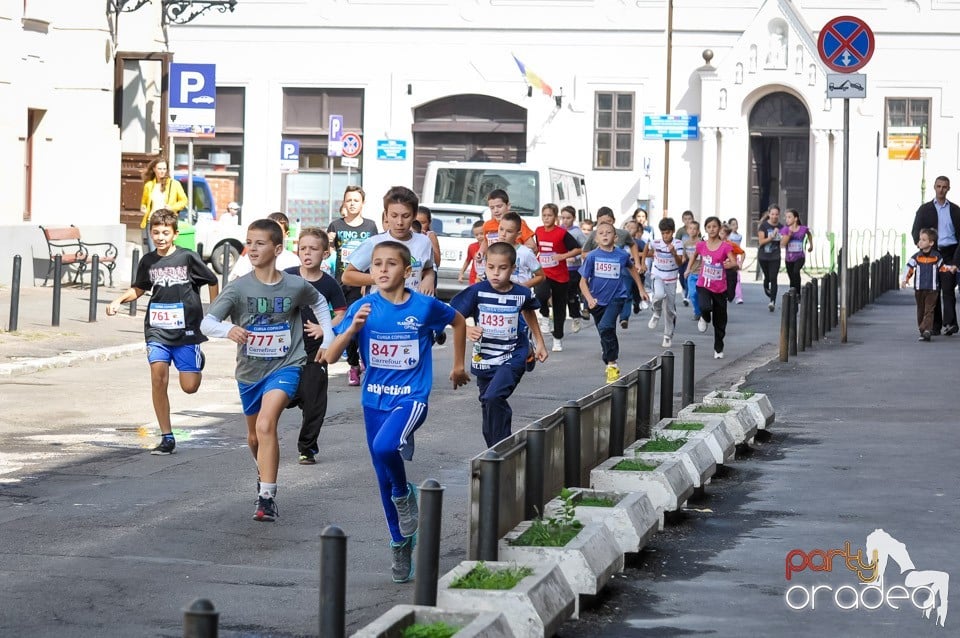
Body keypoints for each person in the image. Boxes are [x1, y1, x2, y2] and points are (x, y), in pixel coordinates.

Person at [322, 240, 469, 583]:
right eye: (376, 264)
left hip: (411, 397)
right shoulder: (364, 306)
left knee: (386, 448)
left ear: (407, 272)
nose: (382, 270)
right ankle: (400, 542)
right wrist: (353, 330)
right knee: (382, 477)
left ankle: (405, 494)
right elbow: (329, 357)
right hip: (374, 400)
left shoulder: (424, 306)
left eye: (390, 264)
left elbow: (459, 322)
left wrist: (459, 365)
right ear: (370, 272)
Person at [201, 219, 334, 522]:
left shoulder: (295, 284)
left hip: (286, 365)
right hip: (250, 371)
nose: (252, 248)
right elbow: (206, 323)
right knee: (254, 437)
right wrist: (228, 329)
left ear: (277, 248)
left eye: (260, 243)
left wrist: (327, 335)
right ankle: (264, 472)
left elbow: (321, 303)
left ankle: (267, 497)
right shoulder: (238, 288)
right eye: (249, 242)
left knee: (265, 424)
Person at [106, 209, 219, 455]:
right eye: (155, 232)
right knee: (158, 377)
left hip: (187, 330)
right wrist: (117, 301)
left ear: (175, 234)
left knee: (189, 387)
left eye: (165, 232)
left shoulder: (188, 258)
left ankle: (196, 360)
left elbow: (212, 280)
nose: (160, 237)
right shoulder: (147, 261)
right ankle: (167, 436)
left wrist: (214, 313)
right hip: (157, 329)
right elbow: (138, 288)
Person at [451, 242, 548, 447]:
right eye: (491, 267)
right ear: (485, 265)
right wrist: (467, 329)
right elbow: (453, 317)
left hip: (513, 354)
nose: (496, 273)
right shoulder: (477, 291)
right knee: (487, 403)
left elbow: (529, 311)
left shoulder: (522, 293)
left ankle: (503, 447)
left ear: (513, 268)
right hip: (485, 357)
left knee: (495, 396)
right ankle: (494, 450)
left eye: (502, 268)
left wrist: (540, 342)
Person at [283, 228, 347, 465]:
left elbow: (342, 312)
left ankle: (307, 448)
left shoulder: (329, 283)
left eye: (314, 249)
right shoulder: (287, 276)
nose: (307, 253)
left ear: (325, 253)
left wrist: (325, 329)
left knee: (314, 403)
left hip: (315, 352)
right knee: (279, 397)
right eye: (303, 248)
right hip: (285, 351)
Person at [579, 221, 648, 383]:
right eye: (601, 233)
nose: (604, 235)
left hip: (617, 298)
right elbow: (582, 282)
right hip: (596, 301)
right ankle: (608, 356)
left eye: (608, 232)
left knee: (606, 327)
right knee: (605, 332)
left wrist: (641, 289)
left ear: (615, 237)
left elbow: (632, 269)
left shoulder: (622, 255)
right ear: (596, 239)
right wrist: (589, 299)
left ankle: (612, 364)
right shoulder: (592, 257)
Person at [328, 185, 380, 384]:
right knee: (347, 323)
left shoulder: (370, 226)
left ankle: (367, 360)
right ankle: (353, 366)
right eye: (348, 200)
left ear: (363, 203)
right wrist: (329, 242)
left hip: (364, 283)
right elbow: (328, 252)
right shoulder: (335, 225)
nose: (352, 204)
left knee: (364, 324)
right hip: (342, 281)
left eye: (356, 200)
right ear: (343, 202)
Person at [910, 175, 960, 335]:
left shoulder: (955, 210)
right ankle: (935, 325)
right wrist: (923, 247)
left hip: (951, 252)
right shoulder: (925, 209)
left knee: (948, 287)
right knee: (933, 289)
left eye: (944, 187)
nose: (941, 190)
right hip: (932, 252)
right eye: (939, 186)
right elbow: (915, 230)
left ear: (949, 188)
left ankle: (951, 323)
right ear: (934, 187)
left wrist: (957, 259)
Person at [686, 216, 738, 359]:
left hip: (720, 288)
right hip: (704, 284)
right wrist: (688, 269)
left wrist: (730, 265)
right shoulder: (701, 245)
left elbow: (735, 263)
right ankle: (704, 317)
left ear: (719, 228)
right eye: (709, 227)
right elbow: (693, 256)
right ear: (706, 229)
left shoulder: (725, 246)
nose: (712, 229)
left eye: (714, 226)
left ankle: (718, 348)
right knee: (705, 307)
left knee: (720, 320)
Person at [534, 203, 582, 352]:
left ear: (555, 217)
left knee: (559, 308)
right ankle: (544, 315)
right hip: (544, 272)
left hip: (560, 276)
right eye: (544, 215)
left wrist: (563, 256)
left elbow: (577, 249)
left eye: (549, 215)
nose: (546, 218)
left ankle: (558, 338)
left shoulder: (561, 233)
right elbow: (538, 248)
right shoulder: (538, 231)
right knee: (540, 294)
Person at [903, 228, 951, 342]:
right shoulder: (916, 257)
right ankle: (922, 329)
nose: (920, 242)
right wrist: (905, 279)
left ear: (931, 243)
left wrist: (951, 269)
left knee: (929, 310)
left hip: (932, 289)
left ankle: (927, 331)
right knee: (921, 310)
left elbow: (942, 268)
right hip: (919, 289)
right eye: (920, 239)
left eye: (923, 240)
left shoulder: (936, 256)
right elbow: (909, 268)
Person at [644, 217, 684, 348]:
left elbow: (679, 263)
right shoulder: (656, 242)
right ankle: (656, 312)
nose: (665, 236)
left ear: (672, 232)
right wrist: (642, 262)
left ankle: (667, 335)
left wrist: (673, 253)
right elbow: (647, 247)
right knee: (658, 295)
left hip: (671, 278)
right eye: (663, 233)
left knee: (670, 310)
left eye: (668, 233)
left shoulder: (678, 244)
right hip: (658, 274)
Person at [229, 212, 301, 281]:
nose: (272, 234)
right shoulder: (252, 255)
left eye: (277, 230)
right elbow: (237, 279)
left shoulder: (292, 260)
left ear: (286, 233)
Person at [477, 189, 537, 272]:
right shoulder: (487, 225)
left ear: (508, 206)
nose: (496, 210)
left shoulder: (519, 223)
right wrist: (481, 252)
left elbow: (533, 247)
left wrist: (513, 252)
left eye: (499, 206)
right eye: (492, 208)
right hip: (494, 269)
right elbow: (486, 241)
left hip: (514, 270)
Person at [139, 158, 187, 252]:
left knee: (165, 250)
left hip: (167, 222)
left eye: (164, 169)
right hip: (151, 221)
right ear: (154, 169)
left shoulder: (174, 184)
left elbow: (184, 201)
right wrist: (143, 208)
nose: (162, 171)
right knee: (153, 251)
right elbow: (144, 203)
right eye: (160, 169)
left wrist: (172, 208)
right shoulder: (148, 185)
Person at [559, 205, 587, 329]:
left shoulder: (577, 232)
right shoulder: (558, 230)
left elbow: (584, 249)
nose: (565, 220)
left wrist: (574, 257)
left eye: (568, 218)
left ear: (574, 218)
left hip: (573, 269)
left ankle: (575, 316)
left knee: (571, 293)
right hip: (559, 268)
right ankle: (558, 320)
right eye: (563, 217)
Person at [757, 204, 784, 312]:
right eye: (772, 214)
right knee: (767, 277)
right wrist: (771, 236)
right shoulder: (763, 226)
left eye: (776, 214)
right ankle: (765, 283)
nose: (774, 216)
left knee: (773, 278)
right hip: (763, 256)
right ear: (769, 214)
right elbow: (761, 241)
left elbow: (783, 242)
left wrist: (783, 237)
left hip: (775, 256)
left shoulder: (781, 227)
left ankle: (772, 301)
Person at [780, 209, 813, 294]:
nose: (787, 219)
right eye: (786, 217)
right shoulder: (785, 230)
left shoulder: (802, 229)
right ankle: (792, 293)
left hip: (800, 257)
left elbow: (809, 234)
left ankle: (798, 293)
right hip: (789, 258)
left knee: (795, 272)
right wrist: (788, 236)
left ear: (795, 218)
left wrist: (811, 245)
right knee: (791, 277)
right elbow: (782, 244)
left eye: (789, 217)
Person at [683, 220, 702, 317]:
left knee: (700, 294)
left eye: (695, 229)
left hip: (701, 273)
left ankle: (701, 311)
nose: (692, 230)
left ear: (698, 231)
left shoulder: (701, 243)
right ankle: (698, 312)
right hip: (691, 272)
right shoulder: (685, 244)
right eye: (690, 228)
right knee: (692, 293)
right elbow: (684, 257)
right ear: (687, 230)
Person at [458, 220, 486, 286]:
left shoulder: (491, 246)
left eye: (482, 233)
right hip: (474, 278)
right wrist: (461, 273)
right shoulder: (472, 247)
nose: (479, 236)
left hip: (486, 278)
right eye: (476, 235)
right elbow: (467, 260)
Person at [727, 217, 744, 303]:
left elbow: (740, 250)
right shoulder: (728, 237)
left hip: (736, 258)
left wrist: (741, 262)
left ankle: (738, 296)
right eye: (733, 224)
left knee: (737, 278)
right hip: (728, 259)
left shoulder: (739, 236)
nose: (735, 226)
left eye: (736, 224)